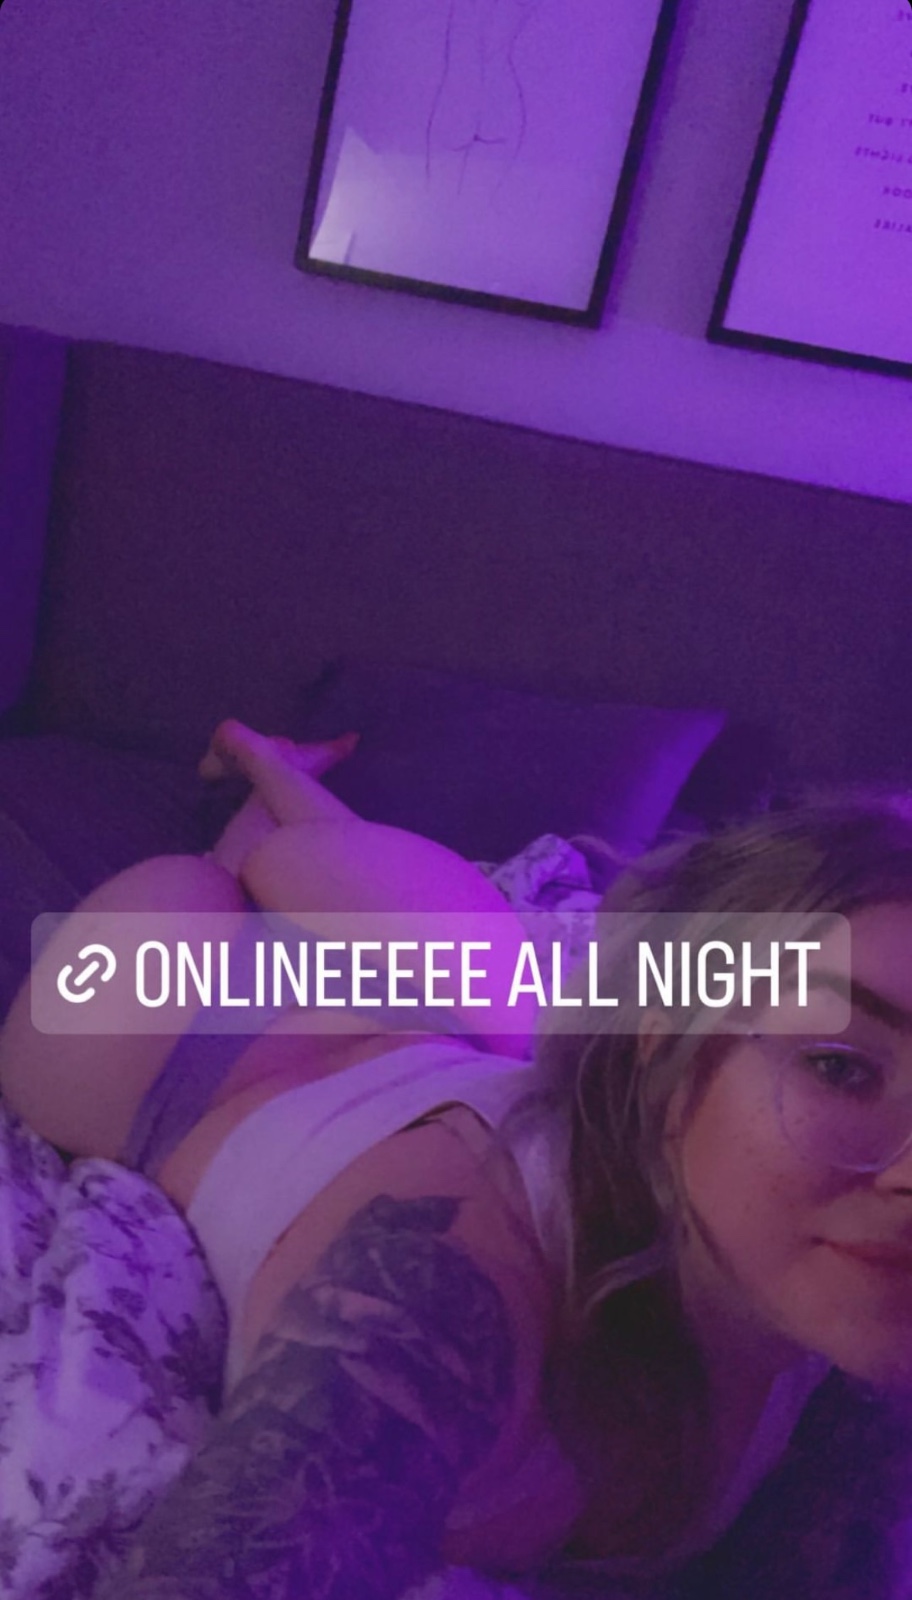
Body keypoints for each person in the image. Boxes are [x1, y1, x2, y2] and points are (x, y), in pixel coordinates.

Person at [2, 720, 912, 1599]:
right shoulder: (443, 1294)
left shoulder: (854, 1327)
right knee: (238, 875)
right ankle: (261, 763)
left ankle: (278, 788)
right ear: (664, 1043)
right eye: (842, 1067)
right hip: (187, 1051)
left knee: (385, 911)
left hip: (437, 1042)